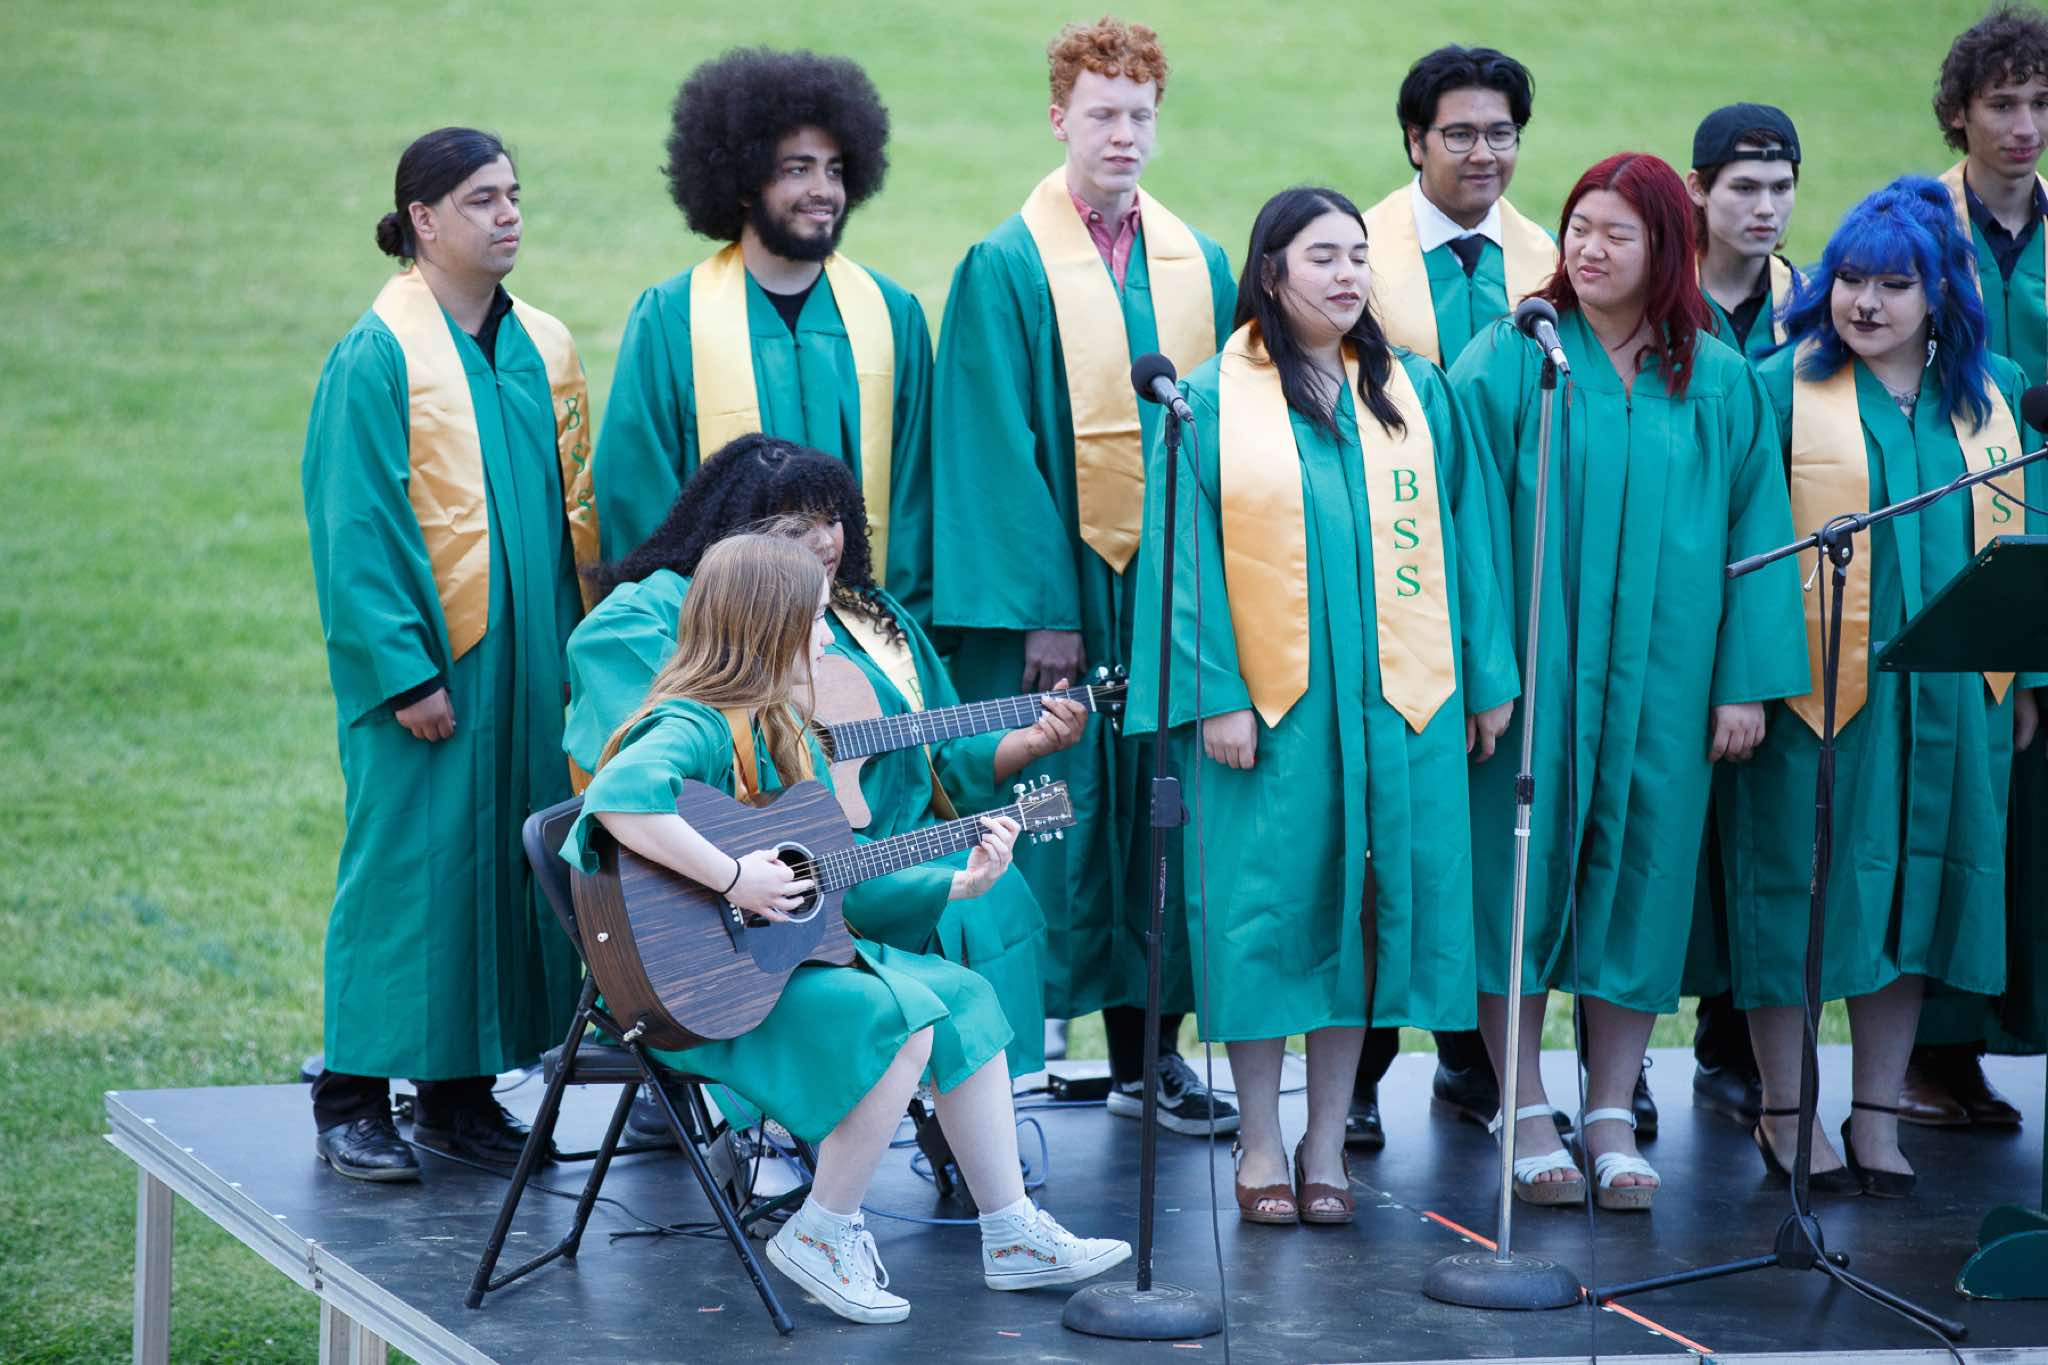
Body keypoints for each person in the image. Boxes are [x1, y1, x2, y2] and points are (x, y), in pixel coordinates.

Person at [565, 534, 1129, 1323]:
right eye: (816, 621)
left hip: (771, 965)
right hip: (692, 991)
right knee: (901, 1016)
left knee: (963, 995)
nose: (829, 640)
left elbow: (836, 877)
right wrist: (731, 877)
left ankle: (1010, 1230)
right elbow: (618, 801)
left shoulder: (783, 730)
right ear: (767, 628)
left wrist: (958, 881)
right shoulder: (693, 722)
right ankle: (823, 1230)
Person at [1129, 186, 1518, 1223]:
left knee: (1361, 918)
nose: (1347, 275)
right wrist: (1212, 695)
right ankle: (1260, 1141)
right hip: (1272, 715)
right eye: (1321, 257)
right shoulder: (1206, 401)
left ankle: (1325, 1142)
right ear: (1270, 271)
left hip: (1398, 706)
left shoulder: (1412, 392)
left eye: (1357, 256)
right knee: (1266, 918)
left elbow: (1467, 539)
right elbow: (1181, 560)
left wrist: (1480, 679)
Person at [1450, 152, 1807, 1211]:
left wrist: (1742, 684)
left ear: (1668, 249)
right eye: (1577, 227)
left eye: (1616, 233)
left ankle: (1607, 1110)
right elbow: (1462, 522)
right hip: (1533, 676)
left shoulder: (1717, 376)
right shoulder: (1512, 356)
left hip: (1666, 678)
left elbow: (1757, 532)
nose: (1588, 248)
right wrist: (1483, 670)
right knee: (1514, 879)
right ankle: (1522, 1105)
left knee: (1643, 880)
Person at [916, 16, 1238, 1134]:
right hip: (1061, 599)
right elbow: (988, 444)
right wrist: (1040, 609)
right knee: (1050, 815)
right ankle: (1004, 1063)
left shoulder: (1199, 263)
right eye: (1101, 113)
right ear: (1059, 118)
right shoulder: (1005, 266)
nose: (1122, 134)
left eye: (1139, 114)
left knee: (1162, 816)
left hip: (1169, 595)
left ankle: (1152, 1057)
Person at [566, 436, 1083, 1081]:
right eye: (796, 522)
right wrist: (736, 866)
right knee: (920, 945)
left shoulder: (868, 617)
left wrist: (1030, 742)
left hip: (859, 852)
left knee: (993, 898)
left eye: (834, 517)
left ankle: (959, 1102)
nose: (824, 538)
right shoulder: (647, 618)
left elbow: (934, 757)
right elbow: (665, 763)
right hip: (735, 886)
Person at [1722, 176, 2045, 1198]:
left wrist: (2023, 675)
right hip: (1816, 701)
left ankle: (1875, 1114)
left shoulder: (1990, 392)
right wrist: (1747, 683)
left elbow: (2021, 543)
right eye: (1850, 279)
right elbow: (1742, 548)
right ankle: (1784, 1111)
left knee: (1911, 889)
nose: (1864, 302)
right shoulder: (1778, 389)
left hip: (1951, 698)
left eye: (1893, 284)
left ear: (1938, 290)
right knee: (1802, 893)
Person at [300, 128, 597, 1181]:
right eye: (480, 199)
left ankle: (458, 1101)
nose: (507, 214)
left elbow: (575, 519)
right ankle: (350, 1097)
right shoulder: (379, 355)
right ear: (422, 220)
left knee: (501, 873)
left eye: (513, 194)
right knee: (408, 873)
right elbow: (355, 527)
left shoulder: (542, 346)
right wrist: (406, 672)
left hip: (532, 666)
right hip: (435, 671)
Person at [1350, 43, 1555, 1148]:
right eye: (1460, 133)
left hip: (1514, 572)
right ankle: (1361, 1069)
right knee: (1390, 829)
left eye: (1501, 133)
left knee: (1493, 826)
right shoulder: (1358, 255)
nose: (1484, 153)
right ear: (1414, 141)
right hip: (1386, 577)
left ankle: (1479, 1064)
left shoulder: (1548, 260)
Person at [592, 47, 932, 611]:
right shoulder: (672, 317)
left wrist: (902, 629)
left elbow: (919, 495)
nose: (824, 190)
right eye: (798, 169)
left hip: (869, 628)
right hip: (722, 637)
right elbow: (639, 497)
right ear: (746, 182)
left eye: (835, 170)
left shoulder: (891, 313)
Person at [1910, 2, 2048, 1125]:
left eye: (2041, 103)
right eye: (2002, 103)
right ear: (1957, 113)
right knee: (1965, 804)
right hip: (1956, 550)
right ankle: (1937, 1052)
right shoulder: (1915, 232)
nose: (2024, 126)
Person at [1681, 103, 1805, 1129]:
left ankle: (1728, 1047)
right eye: (1744, 188)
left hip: (1777, 599)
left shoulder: (1820, 307)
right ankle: (1622, 1062)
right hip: (1667, 598)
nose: (1765, 208)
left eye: (1781, 188)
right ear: (1697, 190)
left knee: (1757, 837)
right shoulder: (1650, 299)